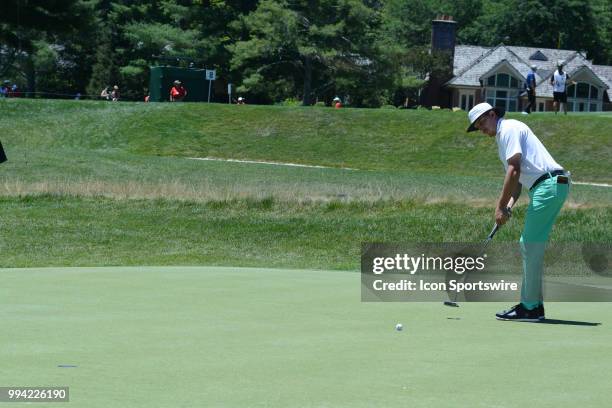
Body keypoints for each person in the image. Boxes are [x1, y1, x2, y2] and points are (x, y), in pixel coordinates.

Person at [466, 102, 570, 321]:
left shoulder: (509, 129)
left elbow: (514, 171)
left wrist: (500, 206)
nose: (481, 129)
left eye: (482, 123)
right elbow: (518, 184)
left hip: (548, 185)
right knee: (532, 246)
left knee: (529, 244)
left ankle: (530, 308)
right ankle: (534, 306)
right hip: (551, 186)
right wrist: (509, 207)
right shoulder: (502, 138)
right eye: (477, 127)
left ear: (493, 114)